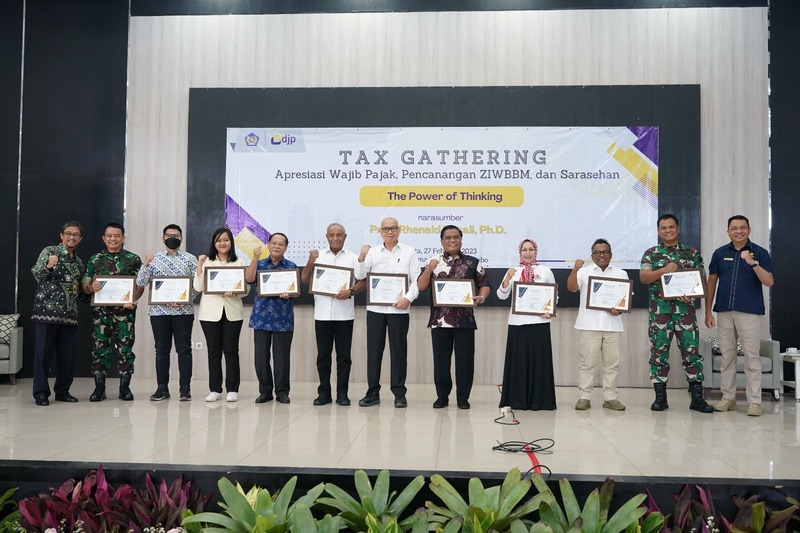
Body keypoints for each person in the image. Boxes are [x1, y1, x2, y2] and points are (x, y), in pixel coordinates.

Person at [640, 214, 713, 413]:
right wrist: (664, 270)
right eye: (663, 228)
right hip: (660, 314)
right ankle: (660, 399)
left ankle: (697, 399)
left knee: (692, 354)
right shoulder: (651, 254)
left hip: (685, 313)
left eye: (671, 227)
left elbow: (701, 281)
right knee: (658, 355)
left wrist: (692, 296)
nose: (668, 231)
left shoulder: (692, 253)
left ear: (678, 229)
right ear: (658, 231)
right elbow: (644, 277)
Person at [705, 215, 774, 417]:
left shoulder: (760, 252)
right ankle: (728, 398)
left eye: (742, 227)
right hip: (724, 311)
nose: (738, 231)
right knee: (727, 357)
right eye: (734, 228)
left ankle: (754, 402)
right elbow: (711, 282)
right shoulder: (720, 253)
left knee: (752, 357)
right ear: (728, 231)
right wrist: (708, 311)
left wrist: (753, 263)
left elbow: (769, 281)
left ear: (749, 230)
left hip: (750, 313)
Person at [417, 225, 491, 410]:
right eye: (448, 238)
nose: (452, 240)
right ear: (441, 241)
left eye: (455, 237)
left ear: (461, 240)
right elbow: (421, 286)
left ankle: (463, 398)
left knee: (465, 362)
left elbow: (485, 284)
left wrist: (481, 297)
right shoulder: (433, 261)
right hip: (439, 321)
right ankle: (442, 397)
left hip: (465, 321)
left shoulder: (473, 262)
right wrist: (429, 269)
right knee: (441, 361)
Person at [356, 217, 420, 408]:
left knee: (399, 352)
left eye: (393, 228)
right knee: (374, 351)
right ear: (380, 232)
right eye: (385, 229)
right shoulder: (372, 252)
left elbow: (416, 279)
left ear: (399, 230)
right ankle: (372, 392)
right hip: (375, 310)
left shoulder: (409, 252)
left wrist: (408, 298)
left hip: (399, 310)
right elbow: (360, 275)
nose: (389, 232)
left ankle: (399, 393)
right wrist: (361, 257)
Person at [301, 223, 367, 407]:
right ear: (327, 237)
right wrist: (311, 261)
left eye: (339, 235)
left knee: (344, 357)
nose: (335, 238)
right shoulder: (318, 256)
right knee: (323, 355)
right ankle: (324, 393)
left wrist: (351, 291)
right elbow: (305, 278)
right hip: (322, 314)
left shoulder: (353, 258)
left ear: (345, 237)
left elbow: (363, 280)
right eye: (332, 235)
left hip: (344, 315)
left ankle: (342, 394)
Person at [135, 224, 198, 402]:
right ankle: (162, 388)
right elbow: (141, 283)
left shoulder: (190, 259)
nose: (172, 238)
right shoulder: (153, 259)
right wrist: (145, 265)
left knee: (184, 350)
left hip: (184, 311)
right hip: (159, 312)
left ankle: (185, 389)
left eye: (176, 236)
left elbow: (198, 284)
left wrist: (185, 298)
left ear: (181, 238)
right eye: (169, 235)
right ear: (163, 238)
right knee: (162, 350)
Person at [82, 222, 144, 402]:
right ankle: (99, 388)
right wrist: (90, 288)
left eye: (117, 236)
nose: (113, 239)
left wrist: (134, 299)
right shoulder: (95, 259)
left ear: (123, 238)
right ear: (104, 238)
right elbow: (85, 283)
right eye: (109, 236)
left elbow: (140, 284)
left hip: (125, 313)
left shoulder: (133, 259)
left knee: (125, 349)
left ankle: (125, 388)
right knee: (100, 349)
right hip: (100, 313)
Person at [567, 238, 628, 411]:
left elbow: (625, 299)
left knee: (612, 365)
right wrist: (575, 269)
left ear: (611, 254)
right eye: (598, 252)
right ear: (592, 255)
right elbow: (571, 288)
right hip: (589, 325)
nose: (602, 255)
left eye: (605, 252)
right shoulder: (584, 272)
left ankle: (610, 398)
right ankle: (584, 397)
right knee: (587, 364)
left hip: (612, 325)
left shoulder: (621, 274)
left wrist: (620, 310)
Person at [495, 238, 556, 411]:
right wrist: (508, 277)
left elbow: (554, 295)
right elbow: (501, 295)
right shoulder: (513, 271)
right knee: (518, 362)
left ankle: (540, 401)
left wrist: (550, 310)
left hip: (539, 323)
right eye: (524, 250)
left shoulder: (545, 270)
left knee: (539, 362)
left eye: (531, 249)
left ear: (536, 251)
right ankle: (517, 400)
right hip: (517, 323)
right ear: (519, 252)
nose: (527, 253)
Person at [30, 221, 87, 406]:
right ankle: (40, 393)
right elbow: (37, 274)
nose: (72, 237)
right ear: (61, 235)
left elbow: (81, 292)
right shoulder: (50, 251)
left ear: (80, 238)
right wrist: (48, 266)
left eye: (76, 234)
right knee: (42, 357)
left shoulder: (79, 262)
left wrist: (91, 289)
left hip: (69, 316)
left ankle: (62, 391)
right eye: (68, 233)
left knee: (67, 358)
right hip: (46, 314)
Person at [194, 227, 249, 403]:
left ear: (231, 242)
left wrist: (236, 292)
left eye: (225, 240)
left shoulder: (239, 262)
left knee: (231, 351)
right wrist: (200, 264)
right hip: (210, 313)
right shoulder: (207, 262)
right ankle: (215, 389)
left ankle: (232, 389)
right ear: (214, 243)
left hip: (233, 312)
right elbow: (198, 287)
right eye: (219, 240)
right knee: (213, 351)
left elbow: (246, 289)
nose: (222, 243)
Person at [245, 233, 297, 404]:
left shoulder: (290, 266)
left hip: (283, 319)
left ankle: (282, 392)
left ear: (286, 247)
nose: (277, 246)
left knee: (282, 358)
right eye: (274, 243)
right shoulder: (260, 264)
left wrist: (289, 293)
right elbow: (249, 279)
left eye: (281, 244)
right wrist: (254, 258)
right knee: (261, 358)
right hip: (261, 318)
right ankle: (265, 391)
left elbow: (295, 290)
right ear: (268, 244)